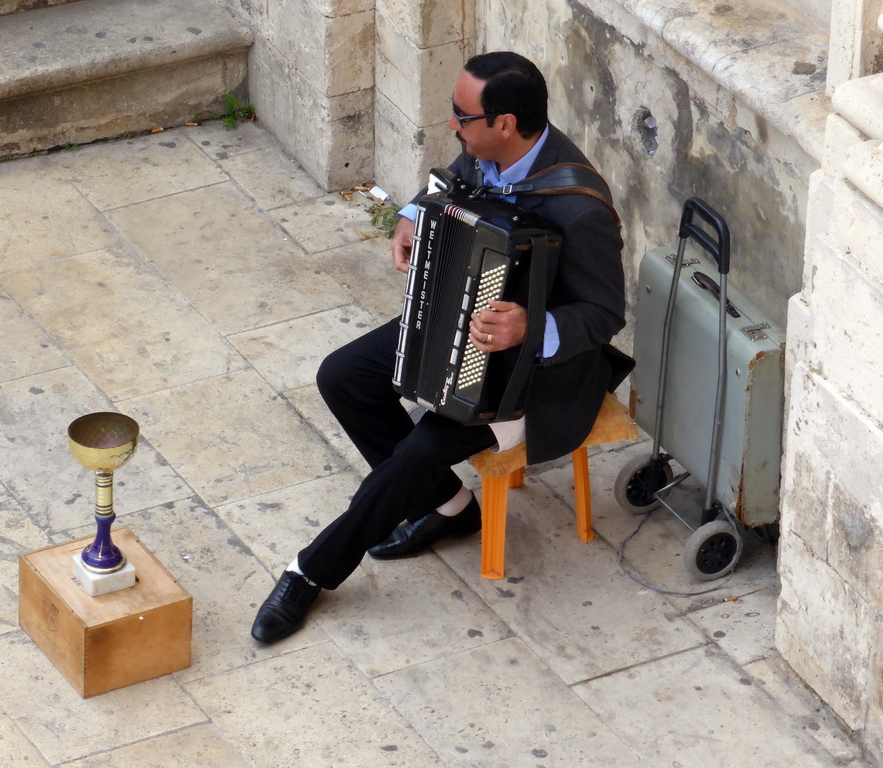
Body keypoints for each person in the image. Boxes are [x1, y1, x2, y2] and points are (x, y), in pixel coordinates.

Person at [251, 51, 628, 644]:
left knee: (419, 450)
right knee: (341, 376)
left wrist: (529, 328)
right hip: (457, 326)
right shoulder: (491, 150)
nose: (454, 125)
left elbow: (606, 315)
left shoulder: (579, 207)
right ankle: (453, 508)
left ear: (504, 123)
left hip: (535, 376)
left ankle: (309, 573)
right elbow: (450, 179)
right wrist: (411, 212)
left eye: (462, 116)